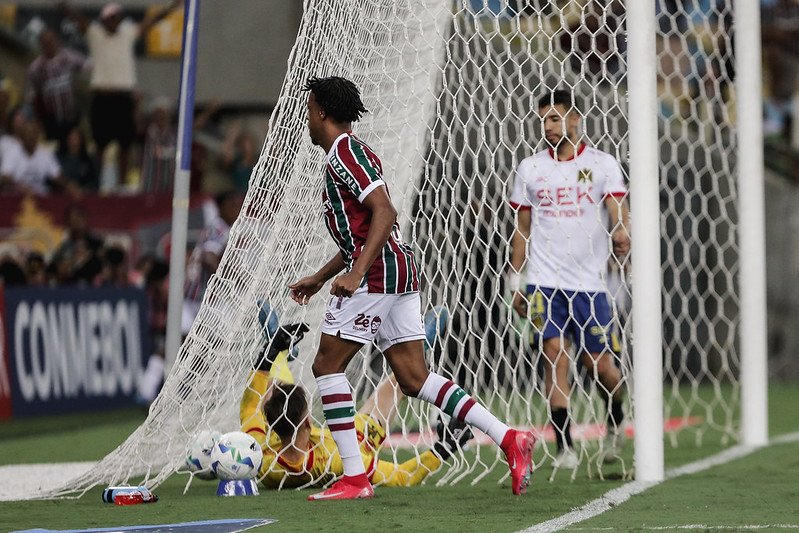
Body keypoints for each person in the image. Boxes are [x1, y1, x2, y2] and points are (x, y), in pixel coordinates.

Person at [288, 76, 534, 501]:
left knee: (326, 365)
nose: (307, 118)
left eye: (309, 110)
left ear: (322, 112)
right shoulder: (352, 153)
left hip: (378, 275)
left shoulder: (345, 152)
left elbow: (385, 212)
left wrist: (356, 273)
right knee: (414, 377)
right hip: (396, 271)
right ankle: (509, 438)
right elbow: (363, 231)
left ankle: (354, 478)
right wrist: (323, 275)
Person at [508, 89, 631, 469]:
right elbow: (522, 228)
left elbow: (617, 208)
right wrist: (515, 280)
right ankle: (565, 447)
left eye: (555, 118)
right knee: (554, 355)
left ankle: (616, 416)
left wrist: (621, 231)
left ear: (575, 119)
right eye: (543, 120)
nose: (548, 126)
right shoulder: (530, 168)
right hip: (544, 280)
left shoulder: (602, 164)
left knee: (599, 364)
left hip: (591, 283)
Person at [239, 310, 473, 490]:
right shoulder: (339, 460)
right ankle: (418, 348)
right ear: (308, 421)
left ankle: (278, 353)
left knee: (274, 395)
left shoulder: (262, 461)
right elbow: (403, 477)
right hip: (355, 439)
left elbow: (251, 405)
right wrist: (446, 447)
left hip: (299, 439)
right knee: (397, 384)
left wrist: (267, 355)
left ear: (270, 425)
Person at [59, 1, 180, 186]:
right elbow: (79, 20)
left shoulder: (128, 32)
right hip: (102, 97)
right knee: (100, 144)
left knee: (125, 145)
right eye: (110, 18)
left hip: (123, 97)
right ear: (104, 20)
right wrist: (63, 6)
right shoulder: (95, 33)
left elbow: (151, 21)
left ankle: (121, 185)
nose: (113, 21)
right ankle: (98, 183)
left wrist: (172, 7)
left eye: (116, 18)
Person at [182, 191, 242, 336]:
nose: (237, 210)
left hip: (195, 297)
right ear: (221, 207)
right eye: (232, 205)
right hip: (200, 299)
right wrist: (230, 280)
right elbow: (208, 257)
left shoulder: (220, 228)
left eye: (238, 206)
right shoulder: (219, 228)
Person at [26, 28, 87, 144]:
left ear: (57, 41)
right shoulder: (36, 68)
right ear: (41, 45)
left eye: (51, 41)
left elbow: (87, 66)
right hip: (50, 120)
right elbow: (31, 96)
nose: (49, 45)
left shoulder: (68, 57)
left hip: (71, 117)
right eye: (45, 43)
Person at [0, 118, 65, 195]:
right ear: (21, 136)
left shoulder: (45, 153)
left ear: (38, 135)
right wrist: (21, 187)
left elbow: (58, 176)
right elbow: (5, 177)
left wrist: (69, 186)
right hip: (17, 196)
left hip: (40, 195)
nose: (31, 136)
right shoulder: (12, 152)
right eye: (27, 133)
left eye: (33, 133)